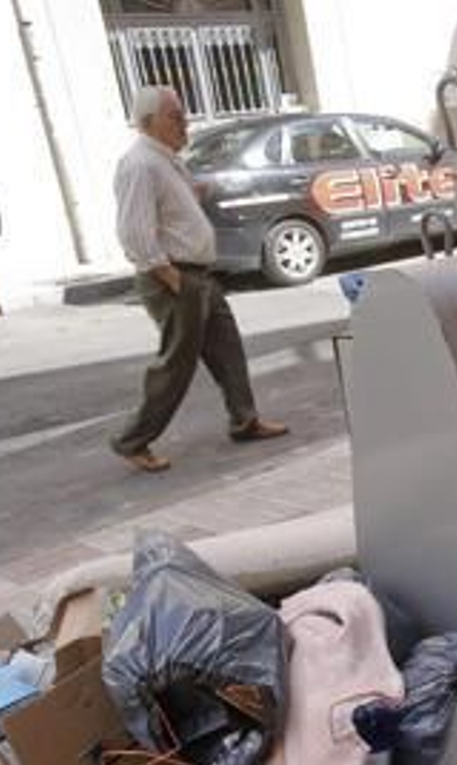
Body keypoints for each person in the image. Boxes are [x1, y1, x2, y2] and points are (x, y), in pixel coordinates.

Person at [110, 84, 286, 473]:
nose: (184, 122)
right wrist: (168, 275)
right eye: (175, 116)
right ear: (147, 122)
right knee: (176, 364)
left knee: (228, 349)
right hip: (174, 276)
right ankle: (133, 440)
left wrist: (196, 193)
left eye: (182, 114)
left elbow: (171, 206)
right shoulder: (140, 163)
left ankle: (245, 420)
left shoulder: (166, 159)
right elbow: (134, 231)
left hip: (197, 274)